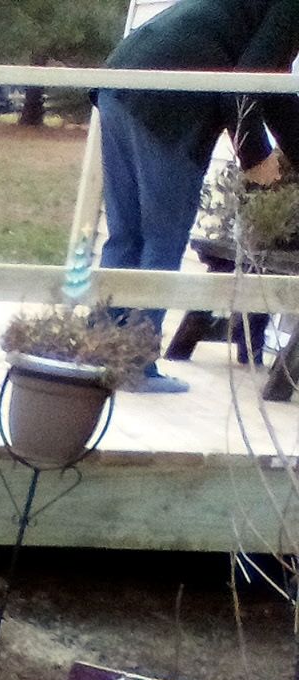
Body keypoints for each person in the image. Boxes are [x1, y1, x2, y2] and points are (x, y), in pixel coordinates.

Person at [97, 0, 299, 392]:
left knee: (127, 235)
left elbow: (268, 88)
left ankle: (98, 352)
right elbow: (241, 93)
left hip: (122, 80)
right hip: (169, 100)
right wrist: (256, 158)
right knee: (162, 239)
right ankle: (135, 367)